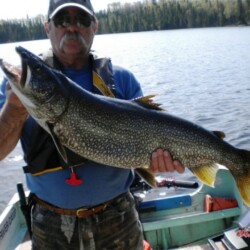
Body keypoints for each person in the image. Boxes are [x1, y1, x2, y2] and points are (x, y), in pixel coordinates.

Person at [0, 0, 184, 249]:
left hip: (118, 217)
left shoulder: (122, 80)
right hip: (51, 223)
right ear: (48, 27)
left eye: (82, 20)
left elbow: (153, 150)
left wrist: (160, 162)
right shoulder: (17, 90)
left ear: (94, 26)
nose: (72, 27)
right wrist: (13, 109)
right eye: (63, 20)